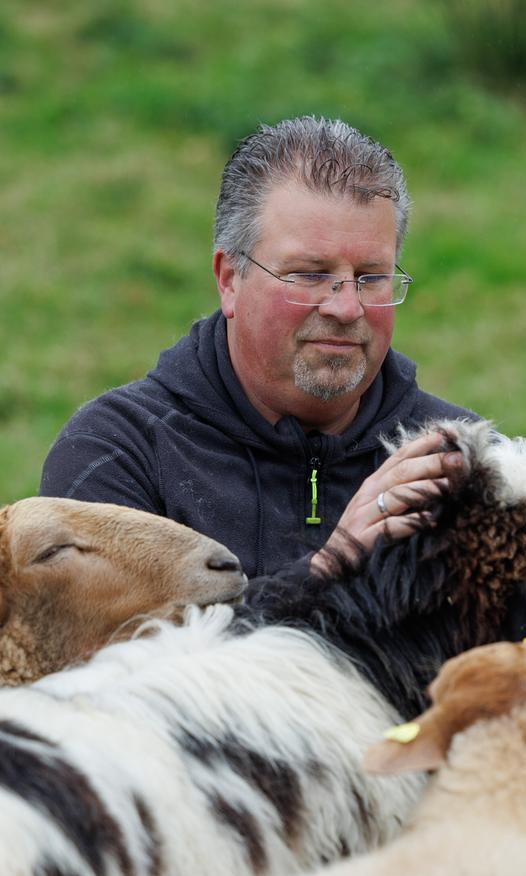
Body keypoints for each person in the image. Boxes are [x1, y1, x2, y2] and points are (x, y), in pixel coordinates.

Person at [40, 116, 478, 580]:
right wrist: (331, 574)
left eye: (370, 277)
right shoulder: (118, 454)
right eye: (310, 274)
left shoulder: (459, 463)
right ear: (229, 280)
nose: (348, 308)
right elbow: (131, 653)